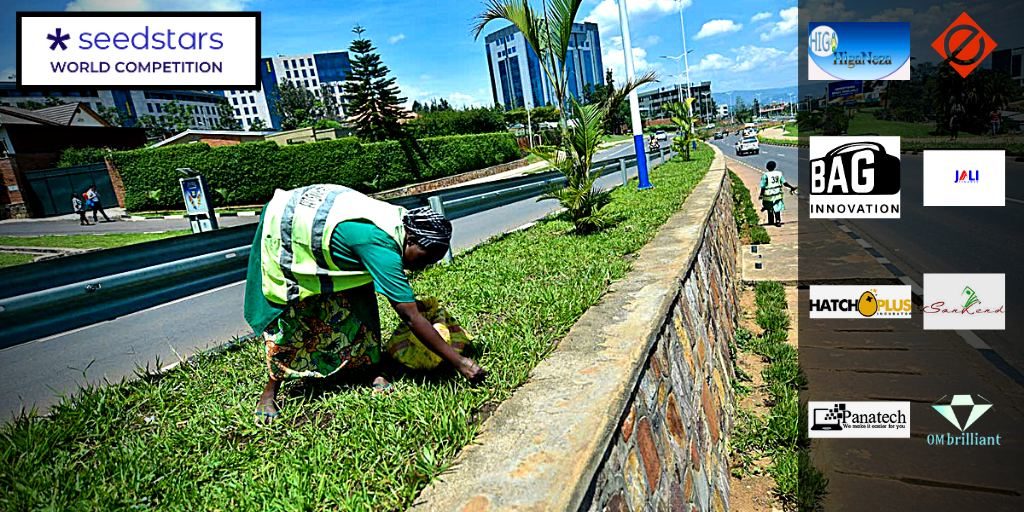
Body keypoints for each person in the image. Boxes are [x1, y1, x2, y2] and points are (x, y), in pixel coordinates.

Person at [244, 184, 488, 423]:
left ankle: (373, 370)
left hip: (323, 218)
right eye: (425, 259)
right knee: (294, 318)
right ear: (411, 240)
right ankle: (270, 391)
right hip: (287, 227)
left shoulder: (403, 223)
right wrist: (461, 364)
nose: (424, 267)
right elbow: (410, 317)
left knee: (361, 304)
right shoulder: (380, 247)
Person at [758, 160, 796, 227]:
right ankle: (778, 221)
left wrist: (761, 195)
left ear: (767, 167)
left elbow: (763, 186)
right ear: (775, 167)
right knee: (777, 207)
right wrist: (791, 187)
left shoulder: (765, 175)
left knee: (769, 207)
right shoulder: (779, 174)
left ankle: (771, 220)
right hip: (777, 194)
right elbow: (784, 183)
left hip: (768, 195)